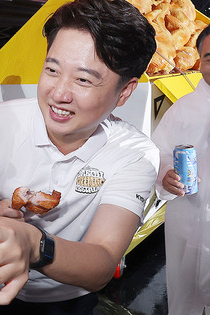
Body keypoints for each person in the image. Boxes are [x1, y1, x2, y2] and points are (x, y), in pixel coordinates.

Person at [0, 0, 159, 313]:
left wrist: (34, 244)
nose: (59, 93)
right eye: (52, 70)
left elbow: (103, 261)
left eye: (83, 79)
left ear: (124, 92)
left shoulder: (134, 154)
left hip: (65, 297)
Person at [151, 25, 210, 315]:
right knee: (184, 297)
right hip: (187, 219)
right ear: (199, 61)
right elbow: (157, 152)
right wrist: (165, 174)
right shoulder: (183, 109)